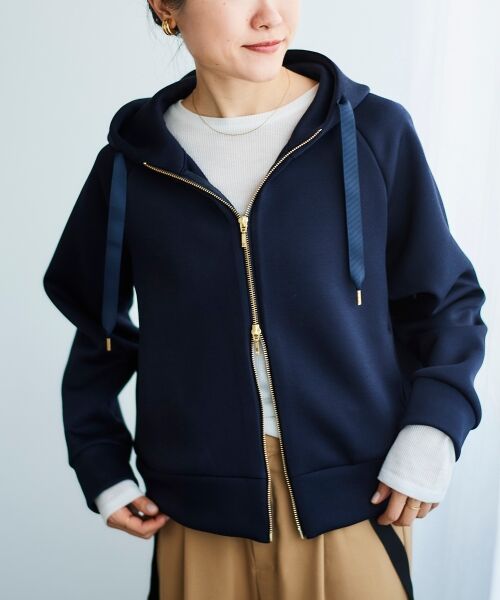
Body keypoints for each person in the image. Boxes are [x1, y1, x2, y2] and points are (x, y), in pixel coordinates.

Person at [42, 0, 488, 598]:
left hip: (357, 506)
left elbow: (445, 301)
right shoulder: (131, 166)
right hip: (196, 518)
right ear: (167, 7)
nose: (270, 15)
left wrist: (434, 428)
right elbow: (96, 323)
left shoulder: (373, 132)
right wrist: (100, 463)